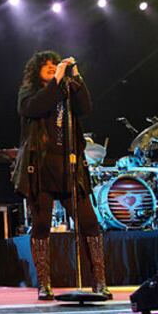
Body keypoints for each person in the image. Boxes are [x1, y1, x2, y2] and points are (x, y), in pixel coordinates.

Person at [11, 51, 112, 300]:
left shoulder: (67, 91)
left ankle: (99, 281)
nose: (52, 67)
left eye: (54, 65)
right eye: (46, 66)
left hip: (69, 167)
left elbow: (85, 107)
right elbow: (35, 108)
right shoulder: (29, 94)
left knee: (89, 223)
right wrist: (56, 79)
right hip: (41, 169)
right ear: (37, 71)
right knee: (42, 224)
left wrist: (76, 78)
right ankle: (44, 283)